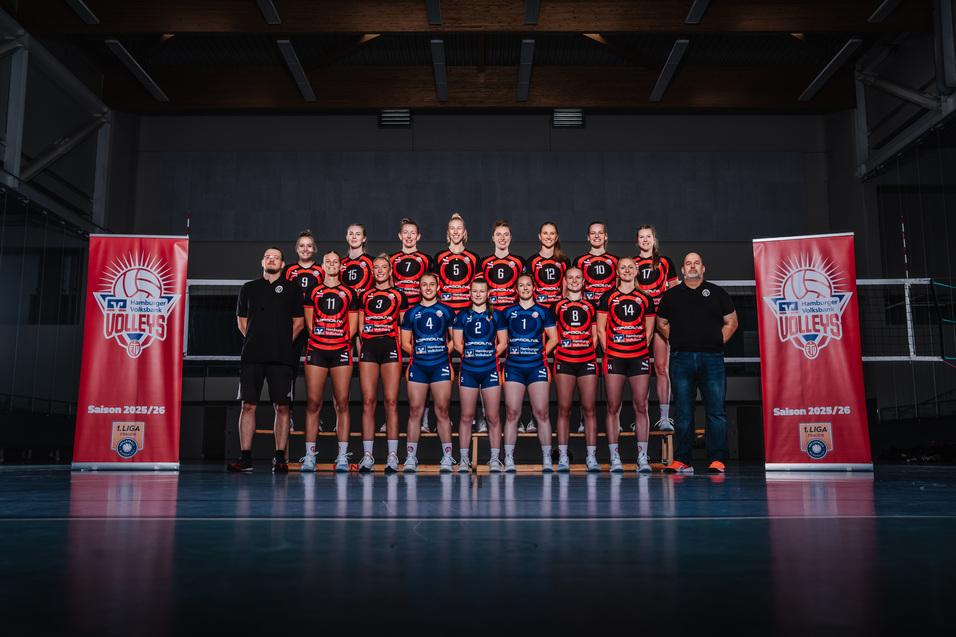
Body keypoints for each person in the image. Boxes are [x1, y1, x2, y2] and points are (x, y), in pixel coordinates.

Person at [656, 252, 738, 474]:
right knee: (683, 411)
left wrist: (717, 340)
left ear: (703, 268)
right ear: (682, 270)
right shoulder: (671, 295)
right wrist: (677, 338)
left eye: (696, 263)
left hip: (712, 358)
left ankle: (717, 459)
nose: (692, 266)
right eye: (688, 263)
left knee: (716, 411)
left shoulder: (717, 293)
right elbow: (661, 323)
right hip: (681, 359)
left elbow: (732, 321)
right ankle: (682, 459)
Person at [229, 247, 304, 473]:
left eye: (276, 257)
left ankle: (280, 458)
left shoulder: (292, 288)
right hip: (252, 356)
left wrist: (281, 343)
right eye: (268, 257)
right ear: (262, 262)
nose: (271, 260)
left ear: (282, 264)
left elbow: (299, 323)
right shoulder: (249, 288)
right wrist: (257, 340)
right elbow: (242, 322)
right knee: (248, 405)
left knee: (282, 407)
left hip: (282, 358)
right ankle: (245, 458)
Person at [301, 251, 359, 473]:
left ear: (341, 266)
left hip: (340, 350)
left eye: (336, 261)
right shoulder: (313, 291)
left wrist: (338, 340)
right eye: (328, 262)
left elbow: (353, 327)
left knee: (342, 403)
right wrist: (322, 338)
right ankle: (309, 456)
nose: (332, 264)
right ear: (323, 265)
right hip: (317, 349)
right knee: (313, 403)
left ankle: (342, 456)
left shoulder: (349, 292)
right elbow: (309, 323)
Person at [597, 257, 656, 474]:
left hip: (638, 357)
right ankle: (615, 457)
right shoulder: (608, 297)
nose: (627, 270)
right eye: (623, 267)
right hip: (615, 357)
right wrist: (611, 351)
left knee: (641, 406)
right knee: (613, 406)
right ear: (617, 271)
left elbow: (649, 331)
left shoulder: (645, 298)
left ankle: (642, 456)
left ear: (636, 270)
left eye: (631, 267)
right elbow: (601, 329)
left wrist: (637, 348)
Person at [400, 273, 457, 472]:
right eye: (424, 285)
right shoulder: (411, 313)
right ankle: (410, 457)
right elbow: (404, 342)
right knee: (415, 410)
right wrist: (419, 352)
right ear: (419, 288)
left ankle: (447, 456)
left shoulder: (447, 311)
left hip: (440, 364)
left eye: (432, 284)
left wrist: (442, 351)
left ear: (438, 286)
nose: (428, 288)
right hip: (419, 366)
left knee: (442, 410)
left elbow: (455, 340)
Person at [501, 274, 558, 472]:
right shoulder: (508, 312)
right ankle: (509, 458)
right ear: (516, 289)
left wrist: (542, 352)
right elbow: (500, 339)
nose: (525, 288)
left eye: (528, 285)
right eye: (521, 285)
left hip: (536, 367)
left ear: (534, 288)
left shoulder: (543, 311)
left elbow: (554, 338)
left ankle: (547, 458)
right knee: (512, 413)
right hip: (514, 367)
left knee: (541, 413)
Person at [357, 255, 408, 473]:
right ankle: (368, 455)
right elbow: (360, 327)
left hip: (390, 347)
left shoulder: (399, 295)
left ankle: (392, 456)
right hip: (369, 348)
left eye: (383, 267)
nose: (379, 270)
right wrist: (363, 348)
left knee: (391, 401)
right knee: (368, 401)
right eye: (376, 267)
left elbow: (404, 326)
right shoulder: (365, 295)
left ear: (390, 270)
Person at [454, 278, 508, 472]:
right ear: (470, 293)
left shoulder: (496, 315)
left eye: (482, 291)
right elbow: (457, 343)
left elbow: (503, 342)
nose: (478, 294)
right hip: (468, 370)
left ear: (488, 294)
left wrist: (489, 354)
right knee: (466, 416)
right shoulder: (462, 315)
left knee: (493, 416)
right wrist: (471, 353)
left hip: (490, 369)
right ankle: (464, 459)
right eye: (475, 291)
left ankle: (494, 458)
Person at [552, 267, 600, 472]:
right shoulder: (557, 305)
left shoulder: (591, 305)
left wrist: (586, 349)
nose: (574, 281)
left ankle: (591, 457)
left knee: (589, 408)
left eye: (578, 277)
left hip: (586, 360)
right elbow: (552, 334)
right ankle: (563, 456)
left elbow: (595, 335)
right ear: (565, 281)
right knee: (564, 408)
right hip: (564, 361)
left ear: (583, 281)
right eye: (570, 277)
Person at [635, 225, 680, 433]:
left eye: (648, 236)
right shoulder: (632, 263)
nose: (645, 240)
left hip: (661, 319)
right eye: (641, 237)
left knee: (662, 368)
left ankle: (664, 417)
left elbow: (675, 292)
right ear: (637, 241)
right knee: (639, 370)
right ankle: (641, 417)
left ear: (654, 239)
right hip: (640, 321)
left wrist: (671, 317)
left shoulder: (665, 262)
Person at [479, 220, 524, 311]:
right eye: (498, 234)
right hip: (491, 310)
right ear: (493, 238)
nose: (502, 238)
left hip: (513, 310)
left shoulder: (519, 261)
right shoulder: (484, 262)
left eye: (506, 234)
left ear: (510, 238)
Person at [525, 222, 570, 310]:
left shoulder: (564, 261)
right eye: (545, 233)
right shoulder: (531, 261)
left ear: (556, 237)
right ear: (539, 236)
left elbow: (567, 288)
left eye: (552, 233)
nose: (548, 237)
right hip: (538, 308)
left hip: (558, 308)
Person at [390, 217, 432, 306]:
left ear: (418, 236)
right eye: (405, 233)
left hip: (419, 307)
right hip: (397, 306)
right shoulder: (391, 259)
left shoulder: (427, 259)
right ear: (400, 236)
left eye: (413, 233)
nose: (409, 236)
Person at [574, 221, 618, 303]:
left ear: (606, 236)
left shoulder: (615, 260)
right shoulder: (579, 260)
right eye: (593, 233)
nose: (597, 236)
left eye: (600, 233)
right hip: (587, 305)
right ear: (588, 237)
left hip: (609, 304)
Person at [341, 223, 374, 298]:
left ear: (364, 238)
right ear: (347, 237)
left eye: (358, 234)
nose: (354, 237)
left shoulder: (372, 261)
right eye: (351, 234)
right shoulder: (340, 263)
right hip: (347, 303)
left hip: (365, 303)